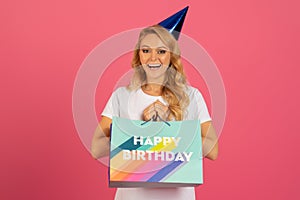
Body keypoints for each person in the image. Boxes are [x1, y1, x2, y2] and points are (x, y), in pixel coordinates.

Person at [91, 25, 218, 200]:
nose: (153, 58)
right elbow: (96, 149)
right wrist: (140, 130)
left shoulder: (191, 96)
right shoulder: (121, 96)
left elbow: (213, 150)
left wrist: (171, 128)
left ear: (171, 57)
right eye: (146, 50)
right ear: (139, 55)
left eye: (161, 51)